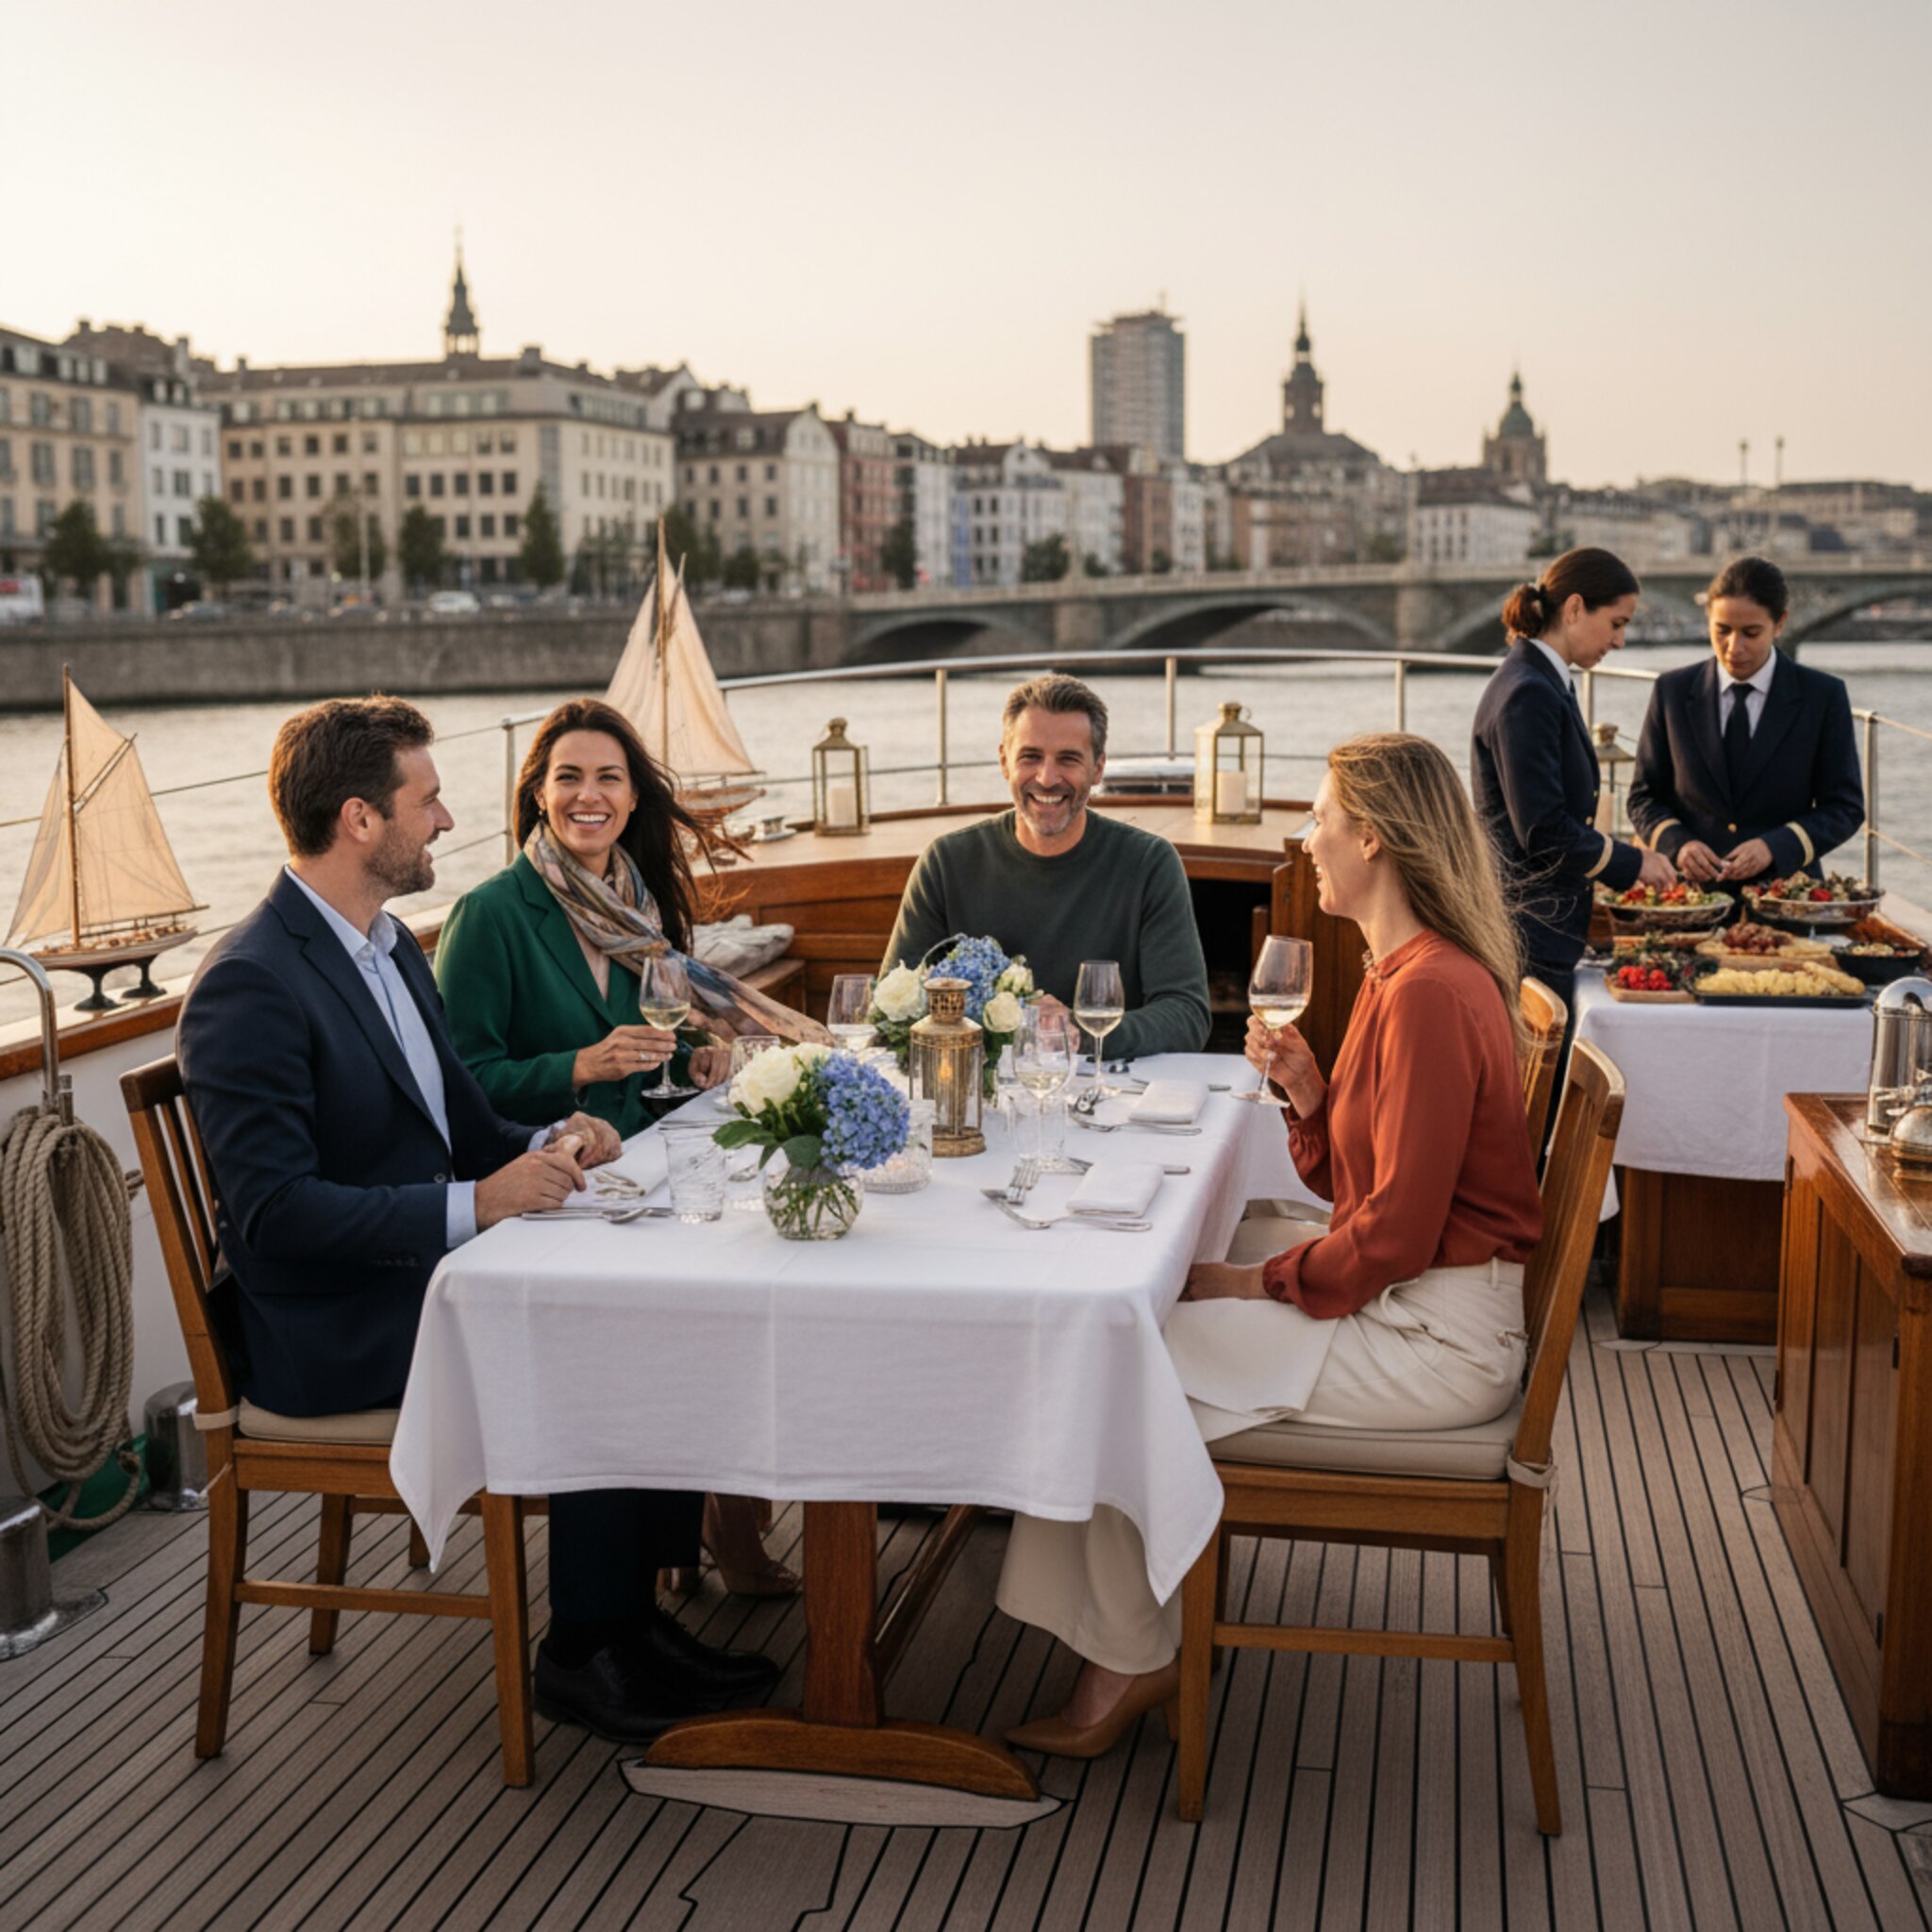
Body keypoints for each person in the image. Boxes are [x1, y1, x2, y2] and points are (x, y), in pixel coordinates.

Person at [177, 696, 778, 1743]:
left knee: (661, 1299)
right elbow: (272, 1219)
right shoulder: (250, 986)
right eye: (428, 798)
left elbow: (463, 1117)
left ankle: (629, 1619)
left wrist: (552, 1133)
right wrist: (477, 1202)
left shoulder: (389, 947)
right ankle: (587, 1650)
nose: (449, 818)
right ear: (362, 819)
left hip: (424, 1273)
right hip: (332, 1325)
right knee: (599, 1331)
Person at [994, 733, 1542, 1758]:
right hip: (1420, 1295)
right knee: (1143, 1322)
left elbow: (1393, 1233)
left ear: (1371, 837)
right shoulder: (1405, 971)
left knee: (1114, 1359)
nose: (1308, 839)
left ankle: (1129, 1654)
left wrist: (1249, 1281)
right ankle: (1141, 1620)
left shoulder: (1426, 990)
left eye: (1322, 819)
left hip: (1437, 1340)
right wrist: (1312, 1093)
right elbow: (1375, 1188)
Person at [435, 694, 809, 1595]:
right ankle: (669, 1567)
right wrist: (577, 1065)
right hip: (548, 1191)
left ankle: (696, 1539)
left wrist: (705, 1054)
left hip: (643, 1172)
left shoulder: (641, 911)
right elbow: (461, 1085)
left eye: (610, 777)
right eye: (569, 778)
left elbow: (663, 1045)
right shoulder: (491, 916)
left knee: (748, 1291)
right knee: (684, 1321)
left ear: (635, 798)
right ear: (538, 795)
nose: (589, 796)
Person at [877, 673, 1211, 1058]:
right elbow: (890, 1010)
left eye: (1068, 759)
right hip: (978, 1096)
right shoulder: (945, 863)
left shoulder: (1150, 864)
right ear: (1004, 761)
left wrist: (1077, 1032)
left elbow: (1187, 1016)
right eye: (1030, 757)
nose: (1047, 778)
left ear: (1098, 768)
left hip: (1110, 1097)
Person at [1470, 547, 1676, 1011]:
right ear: (1576, 607)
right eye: (1617, 623)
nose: (1620, 641)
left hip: (1543, 926)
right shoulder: (1528, 692)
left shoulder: (1542, 680)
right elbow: (1543, 831)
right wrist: (1633, 863)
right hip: (1528, 934)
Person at [1626, 555, 1863, 889]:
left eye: (1751, 633)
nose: (1734, 647)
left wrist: (1776, 846)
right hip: (1690, 899)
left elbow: (1845, 807)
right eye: (1721, 630)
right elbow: (1643, 797)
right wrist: (1679, 845)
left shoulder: (1823, 696)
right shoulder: (1672, 691)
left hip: (1786, 896)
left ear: (1780, 623)